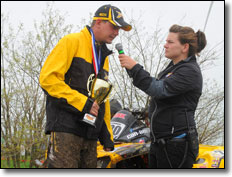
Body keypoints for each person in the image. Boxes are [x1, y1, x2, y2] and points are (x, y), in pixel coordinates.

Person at [39, 4, 132, 168]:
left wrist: (106, 134)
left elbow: (102, 99)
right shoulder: (71, 41)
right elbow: (48, 79)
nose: (117, 32)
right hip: (66, 129)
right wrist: (82, 103)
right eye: (114, 26)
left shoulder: (104, 57)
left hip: (91, 135)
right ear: (98, 22)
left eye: (119, 28)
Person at [118, 24, 206, 168]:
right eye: (166, 41)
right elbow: (160, 96)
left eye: (170, 42)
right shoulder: (173, 68)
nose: (165, 45)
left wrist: (135, 67)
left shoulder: (190, 71)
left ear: (185, 47)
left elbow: (158, 89)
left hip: (177, 144)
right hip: (159, 142)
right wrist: (132, 70)